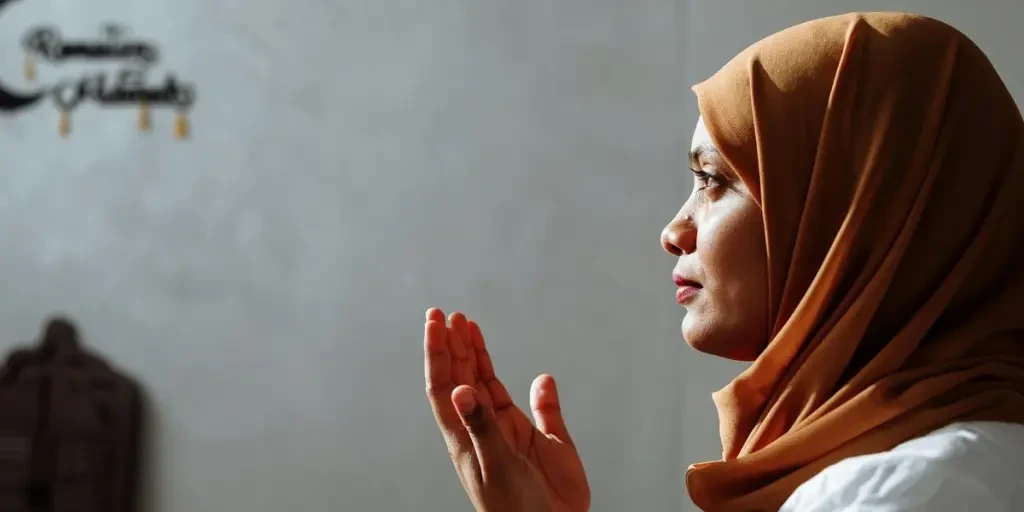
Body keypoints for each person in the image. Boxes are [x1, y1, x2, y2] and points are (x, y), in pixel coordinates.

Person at [422, 11, 1024, 511]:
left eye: (712, 178)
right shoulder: (959, 465)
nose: (673, 231)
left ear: (856, 211)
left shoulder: (907, 491)